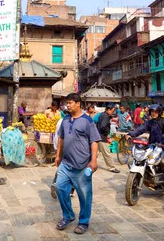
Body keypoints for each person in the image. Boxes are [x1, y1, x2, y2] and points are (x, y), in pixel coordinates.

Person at [54, 93, 101, 235]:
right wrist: (58, 156)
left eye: (70, 103)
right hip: (66, 163)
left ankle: (83, 221)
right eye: (67, 103)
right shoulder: (65, 120)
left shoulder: (87, 121)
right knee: (59, 188)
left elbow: (94, 141)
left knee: (84, 195)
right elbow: (61, 138)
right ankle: (68, 215)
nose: (67, 105)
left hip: (82, 166)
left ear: (78, 103)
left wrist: (93, 161)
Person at [127, 104, 164, 202]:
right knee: (140, 158)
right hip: (152, 146)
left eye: (155, 112)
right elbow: (140, 129)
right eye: (152, 112)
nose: (153, 114)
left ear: (159, 112)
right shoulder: (149, 122)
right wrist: (130, 134)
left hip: (163, 147)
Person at [95, 105, 120, 173]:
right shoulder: (105, 116)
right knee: (107, 153)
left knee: (95, 152)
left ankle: (86, 163)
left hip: (98, 136)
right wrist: (107, 134)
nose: (112, 112)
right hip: (102, 137)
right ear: (108, 110)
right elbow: (103, 126)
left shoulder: (102, 115)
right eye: (112, 111)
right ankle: (111, 167)